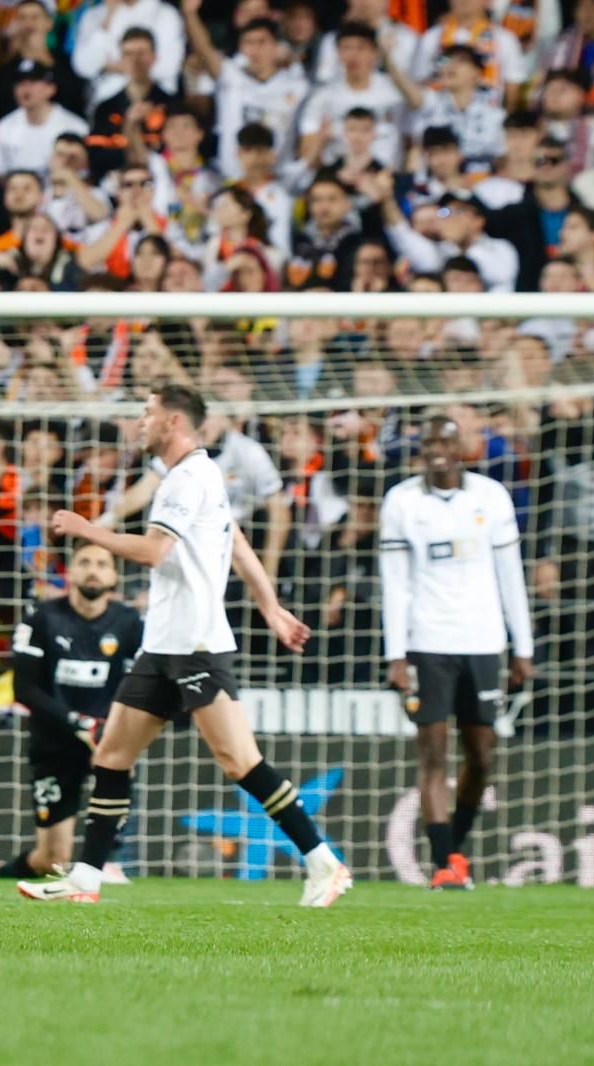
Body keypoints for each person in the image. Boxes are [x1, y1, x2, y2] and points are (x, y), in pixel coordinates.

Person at [17, 384, 351, 907]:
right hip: (163, 645)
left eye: (147, 414)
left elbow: (153, 551)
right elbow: (235, 542)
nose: (140, 424)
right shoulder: (202, 476)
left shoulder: (185, 479)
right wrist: (270, 607)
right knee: (112, 755)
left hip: (195, 645)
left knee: (240, 761)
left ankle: (323, 862)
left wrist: (90, 529)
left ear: (173, 422)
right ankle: (85, 879)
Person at [379, 415, 534, 890]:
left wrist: (523, 646)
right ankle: (445, 862)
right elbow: (396, 584)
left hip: (485, 642)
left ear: (463, 446)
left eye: (445, 441)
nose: (437, 449)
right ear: (420, 449)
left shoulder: (491, 497)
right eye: (429, 442)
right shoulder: (401, 501)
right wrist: (396, 654)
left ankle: (455, 851)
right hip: (428, 643)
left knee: (483, 755)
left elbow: (511, 575)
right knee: (432, 754)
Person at [0, 544, 142, 882]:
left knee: (115, 800)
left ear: (113, 576)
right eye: (84, 562)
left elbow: (139, 684)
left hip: (106, 743)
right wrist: (77, 723)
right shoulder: (41, 618)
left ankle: (107, 862)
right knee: (52, 860)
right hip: (54, 742)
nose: (93, 569)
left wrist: (114, 728)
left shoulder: (130, 623)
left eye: (102, 563)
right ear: (70, 571)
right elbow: (23, 689)